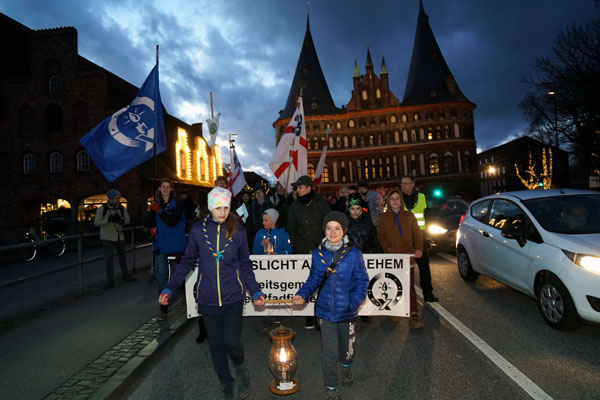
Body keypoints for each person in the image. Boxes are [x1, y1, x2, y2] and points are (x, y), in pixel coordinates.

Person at [159, 187, 266, 400]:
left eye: (226, 207)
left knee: (232, 343)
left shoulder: (239, 230)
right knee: (216, 347)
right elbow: (188, 261)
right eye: (218, 208)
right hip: (207, 298)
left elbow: (245, 263)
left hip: (233, 296)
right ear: (210, 207)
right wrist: (170, 287)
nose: (223, 212)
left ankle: (240, 366)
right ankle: (227, 383)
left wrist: (255, 290)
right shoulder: (198, 230)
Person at [293, 211, 369, 400]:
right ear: (324, 230)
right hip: (325, 313)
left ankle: (346, 366)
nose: (332, 232)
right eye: (328, 228)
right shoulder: (318, 254)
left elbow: (362, 281)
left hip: (348, 312)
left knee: (348, 349)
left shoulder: (354, 254)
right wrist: (302, 294)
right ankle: (331, 388)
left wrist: (352, 303)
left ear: (344, 231)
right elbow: (314, 279)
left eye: (337, 228)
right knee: (328, 353)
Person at [377, 188, 425, 329]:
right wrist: (388, 249)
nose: (395, 201)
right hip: (392, 257)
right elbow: (381, 236)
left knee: (409, 286)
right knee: (393, 284)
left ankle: (413, 314)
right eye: (392, 199)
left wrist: (419, 249)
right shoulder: (384, 218)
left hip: (407, 257)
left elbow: (417, 233)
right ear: (388, 201)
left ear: (401, 200)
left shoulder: (409, 216)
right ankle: (395, 310)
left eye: (397, 198)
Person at [287, 175, 330, 329]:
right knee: (306, 282)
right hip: (302, 250)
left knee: (323, 282)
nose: (297, 190)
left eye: (299, 187)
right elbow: (290, 228)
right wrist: (295, 245)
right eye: (296, 188)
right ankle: (308, 316)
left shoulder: (321, 203)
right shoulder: (294, 206)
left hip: (321, 249)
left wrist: (327, 243)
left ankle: (321, 314)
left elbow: (328, 223)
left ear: (308, 187)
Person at [147, 178, 187, 321]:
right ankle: (163, 308)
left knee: (178, 276)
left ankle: (184, 295)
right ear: (159, 189)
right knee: (162, 277)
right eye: (162, 187)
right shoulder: (155, 205)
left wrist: (160, 211)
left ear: (171, 189)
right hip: (161, 246)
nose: (165, 189)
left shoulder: (178, 204)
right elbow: (149, 221)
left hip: (176, 246)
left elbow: (172, 221)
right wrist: (151, 229)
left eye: (167, 187)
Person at [400, 175, 438, 302]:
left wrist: (428, 235)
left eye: (406, 183)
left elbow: (428, 216)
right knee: (404, 268)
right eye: (402, 183)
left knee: (424, 267)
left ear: (412, 184)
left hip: (419, 238)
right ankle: (404, 296)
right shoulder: (397, 198)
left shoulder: (421, 197)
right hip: (403, 238)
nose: (404, 186)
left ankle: (428, 293)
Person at [94, 189, 136, 289]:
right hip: (107, 237)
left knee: (123, 257)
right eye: (116, 198)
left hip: (119, 237)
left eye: (119, 198)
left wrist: (121, 221)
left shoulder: (121, 208)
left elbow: (127, 220)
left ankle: (125, 275)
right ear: (110, 198)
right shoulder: (102, 209)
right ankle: (110, 281)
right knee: (109, 259)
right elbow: (96, 223)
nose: (118, 200)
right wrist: (107, 220)